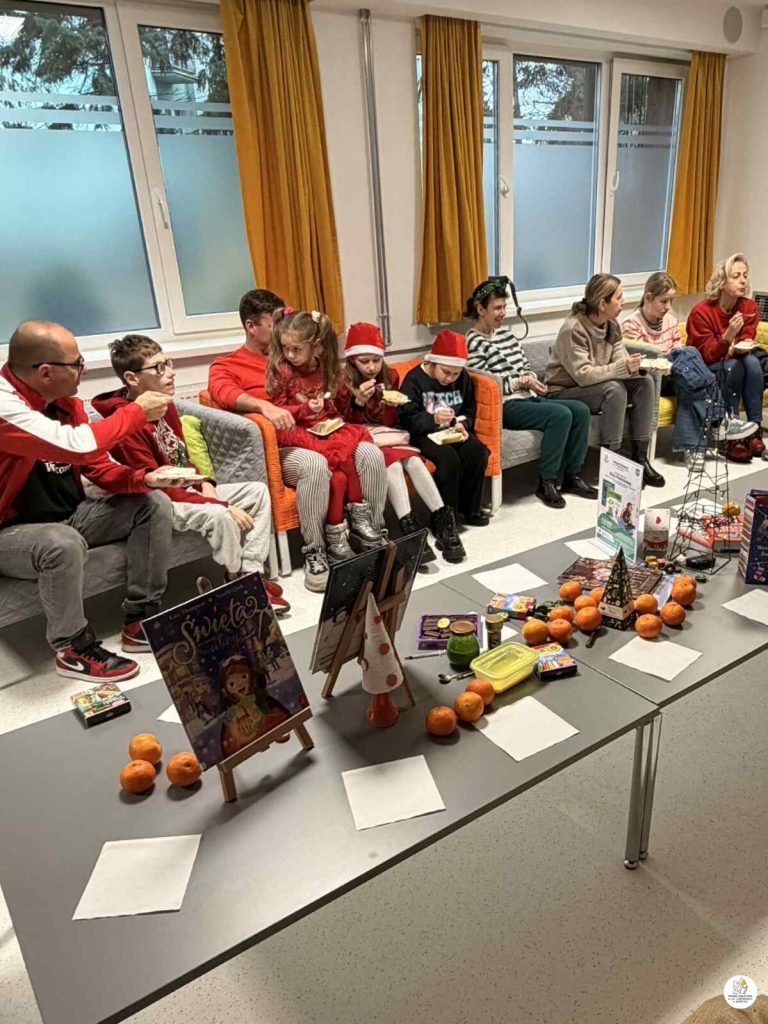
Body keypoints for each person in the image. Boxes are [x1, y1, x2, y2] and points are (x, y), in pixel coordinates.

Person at [0, 320, 179, 682]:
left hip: (70, 516)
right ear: (45, 372)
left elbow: (95, 462)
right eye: (77, 364)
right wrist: (136, 411)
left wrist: (142, 478)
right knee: (61, 542)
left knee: (153, 503)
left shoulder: (66, 404)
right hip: (10, 533)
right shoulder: (5, 405)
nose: (83, 370)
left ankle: (141, 619)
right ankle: (73, 649)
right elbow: (78, 445)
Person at [92, 334, 289, 616]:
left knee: (257, 491)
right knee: (221, 516)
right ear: (132, 378)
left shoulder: (166, 404)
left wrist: (205, 482)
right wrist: (218, 504)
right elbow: (159, 486)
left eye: (168, 363)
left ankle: (250, 574)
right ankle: (238, 584)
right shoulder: (126, 424)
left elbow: (181, 456)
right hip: (159, 501)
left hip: (184, 490)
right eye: (159, 368)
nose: (170, 372)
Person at [208, 289, 387, 591]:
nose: (283, 330)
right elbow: (220, 392)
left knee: (370, 452)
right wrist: (263, 406)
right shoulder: (229, 364)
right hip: (280, 445)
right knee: (314, 464)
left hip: (316, 431)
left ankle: (371, 532)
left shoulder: (302, 358)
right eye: (275, 324)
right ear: (251, 326)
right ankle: (315, 551)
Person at [337, 322, 466, 565]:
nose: (372, 367)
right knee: (394, 465)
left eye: (376, 360)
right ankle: (409, 528)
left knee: (414, 461)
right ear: (352, 360)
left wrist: (389, 406)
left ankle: (443, 521)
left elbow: (392, 421)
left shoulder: (391, 377)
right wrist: (358, 403)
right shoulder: (342, 383)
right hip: (360, 441)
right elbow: (344, 424)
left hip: (389, 435)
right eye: (364, 361)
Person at [266, 308, 387, 563]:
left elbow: (333, 406)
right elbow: (278, 411)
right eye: (286, 348)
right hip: (293, 431)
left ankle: (367, 525)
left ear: (317, 346)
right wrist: (304, 409)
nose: (290, 354)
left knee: (366, 452)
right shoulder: (283, 370)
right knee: (333, 461)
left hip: (322, 429)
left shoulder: (324, 367)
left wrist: (336, 408)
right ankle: (322, 545)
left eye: (296, 349)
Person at [464, 277, 597, 509]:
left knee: (580, 410)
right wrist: (519, 383)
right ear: (480, 309)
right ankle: (547, 482)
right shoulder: (473, 342)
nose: (503, 313)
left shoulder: (507, 336)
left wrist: (531, 379)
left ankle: (572, 476)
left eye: (504, 307)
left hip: (528, 397)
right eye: (497, 308)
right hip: (505, 405)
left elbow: (525, 367)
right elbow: (485, 385)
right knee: (560, 415)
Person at [544, 274, 665, 488]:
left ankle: (640, 459)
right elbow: (583, 375)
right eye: (619, 297)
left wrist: (637, 367)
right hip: (563, 390)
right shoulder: (573, 329)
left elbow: (619, 358)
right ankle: (614, 466)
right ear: (602, 304)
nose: (623, 301)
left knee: (645, 382)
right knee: (614, 389)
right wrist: (622, 368)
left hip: (595, 386)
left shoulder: (612, 325)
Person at [623, 272, 753, 467]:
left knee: (690, 384)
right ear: (648, 298)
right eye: (664, 301)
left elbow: (678, 352)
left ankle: (693, 450)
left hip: (674, 374)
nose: (668, 306)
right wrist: (668, 360)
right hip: (650, 379)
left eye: (671, 301)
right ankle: (720, 421)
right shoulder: (631, 324)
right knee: (690, 353)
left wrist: (673, 362)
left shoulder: (670, 321)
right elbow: (640, 363)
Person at [398, 331, 490, 525]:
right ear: (433, 363)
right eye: (446, 372)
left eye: (455, 374)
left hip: (452, 431)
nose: (450, 378)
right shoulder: (414, 379)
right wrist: (432, 419)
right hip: (423, 434)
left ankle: (471, 509)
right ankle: (446, 516)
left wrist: (462, 424)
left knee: (477, 451)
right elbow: (406, 418)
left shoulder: (462, 378)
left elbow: (469, 409)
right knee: (448, 459)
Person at [686, 252, 765, 460]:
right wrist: (728, 335)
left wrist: (742, 345)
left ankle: (754, 428)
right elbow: (708, 355)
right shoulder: (701, 312)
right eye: (736, 276)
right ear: (721, 281)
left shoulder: (748, 307)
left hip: (735, 360)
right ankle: (730, 433)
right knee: (734, 366)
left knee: (753, 362)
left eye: (745, 275)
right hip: (705, 366)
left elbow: (747, 336)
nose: (743, 281)